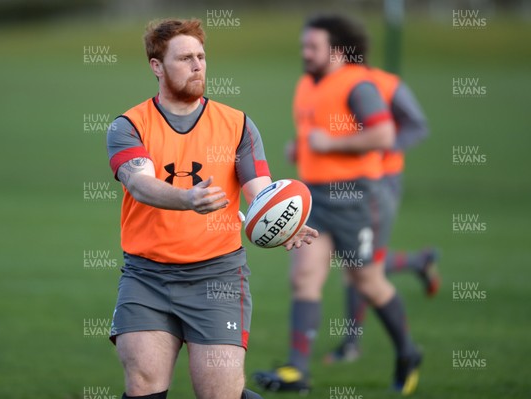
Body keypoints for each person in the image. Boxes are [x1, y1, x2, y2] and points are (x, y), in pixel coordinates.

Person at [106, 18, 318, 399]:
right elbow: (140, 183)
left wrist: (285, 219)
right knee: (143, 386)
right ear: (157, 66)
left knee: (219, 393)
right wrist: (188, 198)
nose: (197, 65)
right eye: (185, 58)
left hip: (217, 278)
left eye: (201, 57)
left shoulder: (237, 125)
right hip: (146, 277)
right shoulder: (129, 125)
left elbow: (260, 190)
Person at [253, 15, 422, 395]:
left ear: (337, 50)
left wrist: (330, 143)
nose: (305, 53)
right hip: (314, 197)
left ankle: (408, 351)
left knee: (368, 282)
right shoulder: (307, 85)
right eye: (303, 46)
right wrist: (303, 148)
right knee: (304, 277)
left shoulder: (358, 85)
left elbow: (382, 133)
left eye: (313, 46)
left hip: (357, 200)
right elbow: (316, 134)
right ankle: (297, 370)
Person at [325, 67, 440, 364]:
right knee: (358, 263)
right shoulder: (328, 86)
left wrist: (382, 146)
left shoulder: (387, 85)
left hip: (382, 182)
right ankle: (418, 261)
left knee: (358, 264)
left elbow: (417, 125)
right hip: (346, 182)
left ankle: (351, 345)